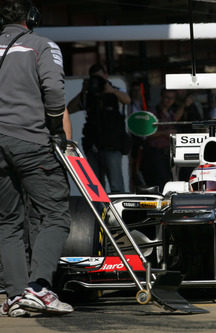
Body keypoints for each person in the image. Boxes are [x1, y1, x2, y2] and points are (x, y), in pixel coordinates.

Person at [0, 0, 73, 316]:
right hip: (30, 141)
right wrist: (56, 129)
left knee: (6, 221)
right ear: (32, 19)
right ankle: (39, 288)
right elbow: (55, 93)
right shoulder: (41, 46)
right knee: (55, 214)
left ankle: (15, 297)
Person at [68, 63, 131, 193]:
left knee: (116, 185)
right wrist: (84, 90)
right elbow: (69, 108)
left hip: (112, 145)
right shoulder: (88, 95)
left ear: (106, 76)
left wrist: (112, 91)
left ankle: (118, 212)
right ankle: (98, 212)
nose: (97, 82)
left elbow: (127, 100)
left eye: (100, 78)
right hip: (93, 146)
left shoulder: (116, 91)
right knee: (95, 186)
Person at [140, 89, 176, 189]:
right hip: (155, 153)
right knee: (158, 182)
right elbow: (145, 133)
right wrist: (165, 133)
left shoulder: (171, 113)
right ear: (161, 97)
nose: (169, 101)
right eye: (166, 98)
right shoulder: (152, 112)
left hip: (168, 153)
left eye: (172, 98)